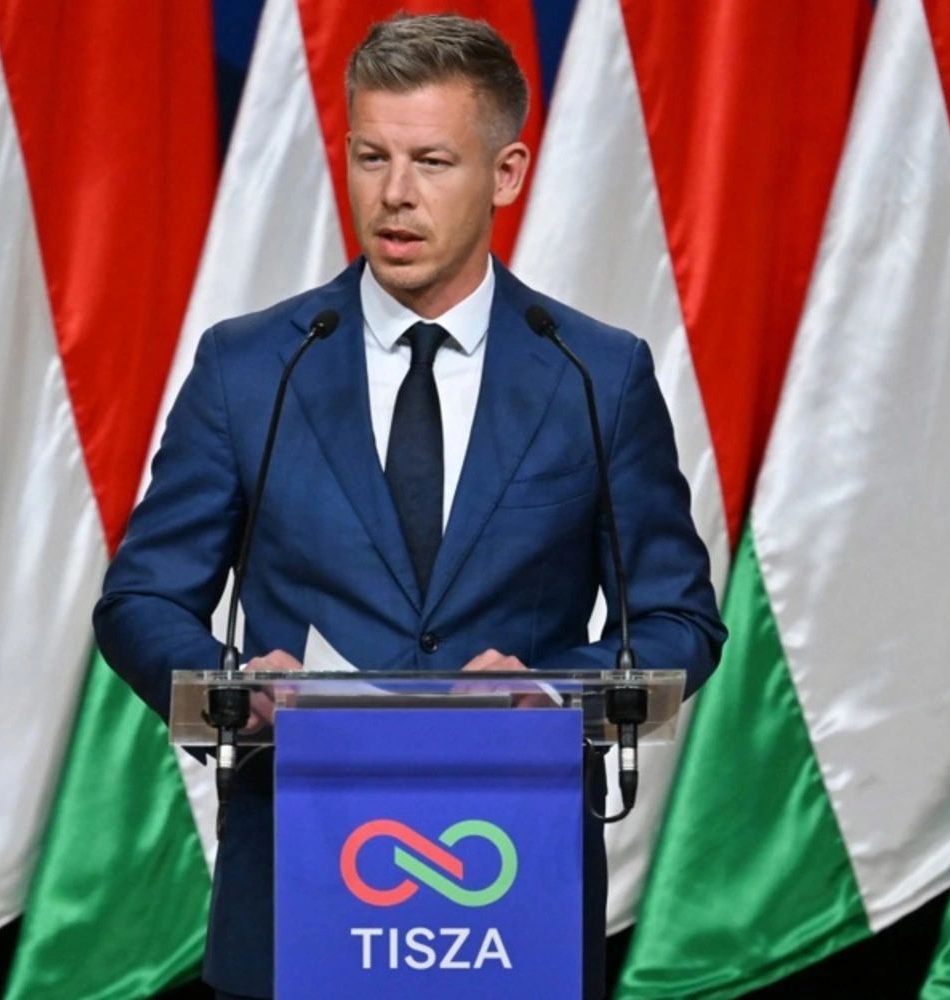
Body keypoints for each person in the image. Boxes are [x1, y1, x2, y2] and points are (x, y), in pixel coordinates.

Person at [95, 13, 726, 999]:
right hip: (298, 881)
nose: (394, 194)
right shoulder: (251, 367)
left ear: (506, 174)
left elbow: (681, 622)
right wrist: (231, 680)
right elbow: (140, 599)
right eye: (370, 157)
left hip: (509, 887)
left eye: (431, 161)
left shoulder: (595, 375)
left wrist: (552, 690)